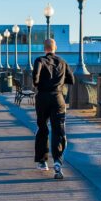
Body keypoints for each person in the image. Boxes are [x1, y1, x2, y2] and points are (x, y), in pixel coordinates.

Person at [32, 38, 74, 179]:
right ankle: (57, 162)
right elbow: (72, 80)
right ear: (55, 47)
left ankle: (43, 162)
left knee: (42, 128)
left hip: (42, 98)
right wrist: (59, 82)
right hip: (58, 98)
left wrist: (40, 84)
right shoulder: (62, 62)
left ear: (44, 48)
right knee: (58, 130)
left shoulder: (39, 60)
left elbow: (35, 79)